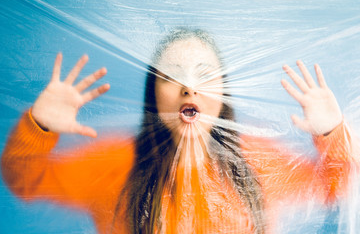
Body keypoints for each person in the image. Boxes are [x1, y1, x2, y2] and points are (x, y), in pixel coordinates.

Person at [1, 28, 356, 234]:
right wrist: (40, 126)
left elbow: (336, 186)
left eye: (203, 74)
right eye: (171, 75)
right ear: (153, 92)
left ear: (224, 92)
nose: (189, 87)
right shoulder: (114, 164)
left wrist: (330, 132)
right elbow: (26, 180)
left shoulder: (259, 162)